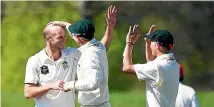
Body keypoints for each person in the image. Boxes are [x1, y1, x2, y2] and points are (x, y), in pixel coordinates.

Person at [24, 5, 117, 107]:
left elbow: (99, 49)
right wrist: (51, 86)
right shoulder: (35, 60)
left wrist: (110, 28)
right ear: (48, 39)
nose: (65, 39)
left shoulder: (72, 54)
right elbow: (28, 93)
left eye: (65, 36)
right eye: (60, 37)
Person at [52, 6, 117, 107]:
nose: (72, 36)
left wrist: (70, 85)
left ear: (79, 38)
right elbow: (105, 43)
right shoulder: (97, 46)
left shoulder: (90, 56)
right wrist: (64, 24)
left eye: (74, 35)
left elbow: (93, 82)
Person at [122, 24, 179, 107]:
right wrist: (148, 43)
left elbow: (126, 68)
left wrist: (129, 43)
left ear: (157, 45)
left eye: (151, 42)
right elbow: (151, 64)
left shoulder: (156, 67)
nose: (150, 45)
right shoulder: (174, 64)